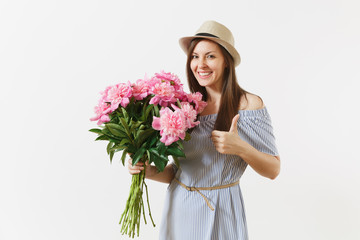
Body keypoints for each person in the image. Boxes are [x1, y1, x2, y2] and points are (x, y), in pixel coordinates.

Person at [128, 20, 280, 240]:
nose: (201, 64)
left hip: (221, 210)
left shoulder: (248, 105)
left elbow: (273, 169)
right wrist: (148, 171)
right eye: (195, 56)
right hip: (179, 208)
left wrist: (241, 148)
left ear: (226, 62)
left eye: (210, 56)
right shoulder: (186, 108)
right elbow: (181, 172)